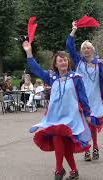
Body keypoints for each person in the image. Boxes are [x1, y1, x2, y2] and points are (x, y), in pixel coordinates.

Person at [23, 40, 91, 180]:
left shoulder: (76, 78)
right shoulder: (51, 78)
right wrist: (29, 52)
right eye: (60, 61)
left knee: (61, 141)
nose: (63, 63)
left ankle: (59, 170)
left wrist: (88, 114)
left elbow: (83, 97)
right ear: (56, 64)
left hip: (71, 117)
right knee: (60, 141)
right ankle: (71, 171)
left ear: (68, 63)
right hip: (55, 117)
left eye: (65, 60)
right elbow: (36, 69)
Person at [66, 21, 103, 161]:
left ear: (92, 50)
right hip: (81, 98)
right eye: (84, 48)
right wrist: (74, 30)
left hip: (94, 98)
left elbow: (101, 81)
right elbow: (69, 45)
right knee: (84, 124)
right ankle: (86, 149)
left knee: (92, 124)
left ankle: (95, 147)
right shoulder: (79, 61)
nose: (86, 50)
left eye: (88, 48)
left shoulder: (98, 64)